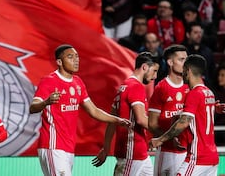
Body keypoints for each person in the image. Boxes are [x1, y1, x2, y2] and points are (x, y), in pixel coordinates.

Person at [30, 44, 131, 176]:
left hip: (69, 148)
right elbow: (33, 107)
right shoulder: (49, 81)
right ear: (59, 62)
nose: (76, 60)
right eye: (70, 57)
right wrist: (46, 102)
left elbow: (93, 111)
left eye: (77, 57)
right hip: (52, 145)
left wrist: (117, 120)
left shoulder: (78, 82)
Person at [149, 54, 219, 175]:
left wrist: (160, 139)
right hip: (212, 156)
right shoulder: (209, 92)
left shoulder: (194, 94)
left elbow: (184, 122)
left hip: (198, 157)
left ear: (188, 70)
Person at [92, 52, 160, 175]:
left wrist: (106, 148)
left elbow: (112, 121)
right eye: (154, 71)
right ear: (144, 67)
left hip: (141, 155)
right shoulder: (135, 87)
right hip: (131, 153)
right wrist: (166, 134)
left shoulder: (123, 87)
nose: (155, 76)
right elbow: (141, 119)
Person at [148, 44, 189, 176]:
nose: (185, 63)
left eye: (186, 60)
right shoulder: (161, 88)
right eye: (181, 59)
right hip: (167, 152)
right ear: (170, 62)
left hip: (189, 153)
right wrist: (170, 139)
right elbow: (153, 124)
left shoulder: (191, 86)